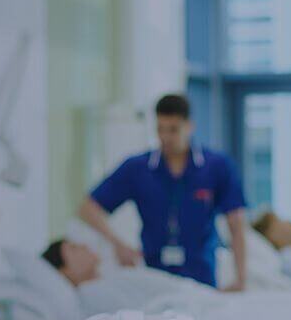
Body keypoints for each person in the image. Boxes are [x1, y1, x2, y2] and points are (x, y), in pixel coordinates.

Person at [78, 94, 250, 292]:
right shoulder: (137, 168)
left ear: (190, 126)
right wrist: (118, 245)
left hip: (202, 278)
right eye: (160, 129)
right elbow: (88, 209)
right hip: (154, 278)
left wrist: (241, 279)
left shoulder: (217, 166)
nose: (165, 138)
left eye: (173, 130)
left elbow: (236, 225)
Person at [41, 239, 212, 316]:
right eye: (74, 248)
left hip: (195, 297)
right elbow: (142, 316)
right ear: (65, 271)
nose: (84, 246)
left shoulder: (106, 279)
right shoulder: (91, 293)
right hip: (192, 308)